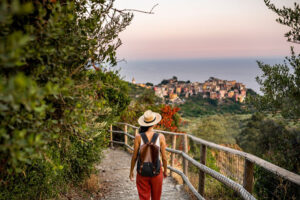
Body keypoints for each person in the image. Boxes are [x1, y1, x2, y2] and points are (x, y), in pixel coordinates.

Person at [129, 110, 168, 200]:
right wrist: (165, 171)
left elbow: (134, 157)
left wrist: (131, 171)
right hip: (157, 172)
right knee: (156, 198)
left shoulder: (138, 137)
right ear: (154, 124)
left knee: (143, 197)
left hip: (142, 172)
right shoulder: (161, 137)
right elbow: (164, 158)